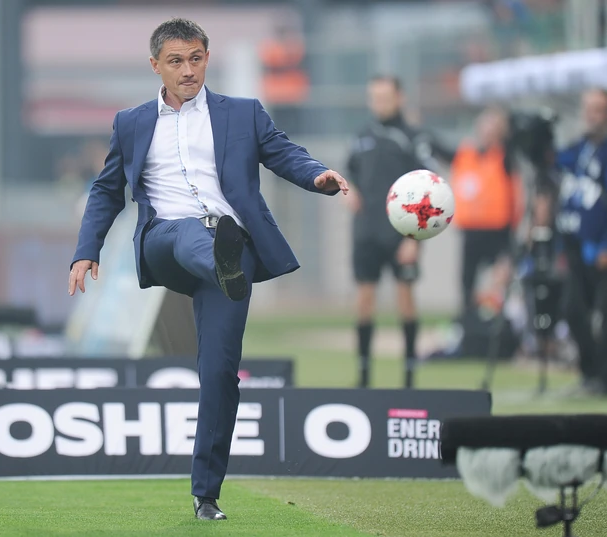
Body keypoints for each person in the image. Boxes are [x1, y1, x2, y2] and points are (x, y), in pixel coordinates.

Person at [67, 18, 349, 520]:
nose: (188, 70)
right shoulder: (131, 122)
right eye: (176, 61)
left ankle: (206, 495)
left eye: (196, 59)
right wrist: (87, 250)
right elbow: (107, 190)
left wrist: (317, 176)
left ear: (207, 59)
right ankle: (221, 257)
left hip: (231, 255)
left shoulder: (243, 113)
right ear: (155, 65)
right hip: (166, 242)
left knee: (219, 373)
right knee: (187, 233)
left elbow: (285, 154)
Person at [345, 75, 454, 389]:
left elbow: (430, 188)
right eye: (374, 97)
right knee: (364, 299)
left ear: (399, 98)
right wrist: (349, 191)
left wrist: (414, 239)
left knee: (405, 298)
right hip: (366, 230)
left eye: (385, 96)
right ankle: (364, 375)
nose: (379, 103)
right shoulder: (362, 135)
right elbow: (351, 172)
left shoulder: (413, 137)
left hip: (401, 233)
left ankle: (408, 375)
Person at [555, 88, 607, 396]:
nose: (592, 115)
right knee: (572, 309)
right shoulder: (578, 150)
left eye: (598, 109)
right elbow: (551, 164)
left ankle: (603, 379)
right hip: (575, 245)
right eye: (588, 109)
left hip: (600, 247)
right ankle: (590, 374)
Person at [450, 106, 522, 313]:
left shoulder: (506, 156)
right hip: (471, 229)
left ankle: (500, 317)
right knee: (467, 279)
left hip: (498, 230)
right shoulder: (466, 154)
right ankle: (468, 319)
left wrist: (504, 127)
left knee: (501, 277)